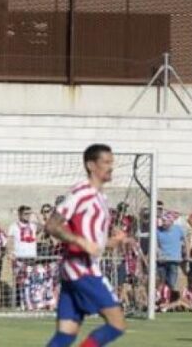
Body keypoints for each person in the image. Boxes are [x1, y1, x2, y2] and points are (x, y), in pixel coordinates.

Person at [43, 144, 128, 347]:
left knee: (66, 334)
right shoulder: (82, 194)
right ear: (91, 165)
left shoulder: (101, 198)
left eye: (112, 162)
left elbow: (94, 243)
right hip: (81, 269)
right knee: (117, 324)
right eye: (106, 162)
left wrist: (113, 242)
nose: (111, 167)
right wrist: (79, 241)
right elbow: (52, 225)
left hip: (77, 269)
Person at [8, 204, 38, 309]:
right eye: (25, 214)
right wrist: (10, 252)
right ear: (20, 214)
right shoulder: (13, 226)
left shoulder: (33, 225)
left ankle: (30, 302)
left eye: (29, 214)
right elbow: (10, 241)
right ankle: (22, 303)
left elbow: (45, 227)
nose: (27, 216)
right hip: (19, 258)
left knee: (30, 281)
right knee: (21, 282)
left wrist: (36, 215)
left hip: (31, 258)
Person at [156, 213, 186, 291]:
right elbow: (155, 245)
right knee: (161, 282)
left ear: (171, 222)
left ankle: (169, 295)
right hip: (161, 260)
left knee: (171, 283)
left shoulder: (178, 229)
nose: (163, 223)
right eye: (162, 221)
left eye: (165, 221)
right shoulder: (157, 231)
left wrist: (186, 254)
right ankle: (160, 296)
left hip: (174, 260)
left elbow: (185, 241)